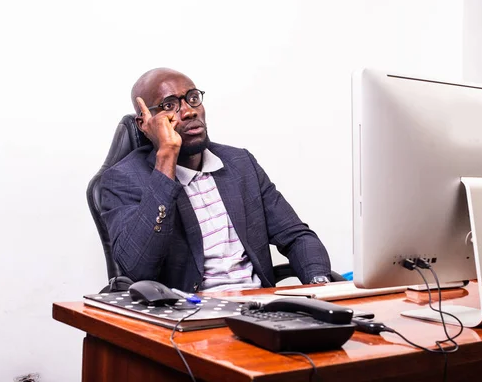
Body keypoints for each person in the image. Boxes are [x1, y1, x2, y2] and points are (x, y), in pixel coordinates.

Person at [100, 67, 332, 292]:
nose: (189, 111)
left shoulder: (240, 164)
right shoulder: (122, 179)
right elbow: (138, 269)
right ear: (145, 123)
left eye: (192, 98)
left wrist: (320, 286)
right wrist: (166, 157)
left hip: (259, 310)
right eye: (169, 105)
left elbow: (297, 237)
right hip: (188, 317)